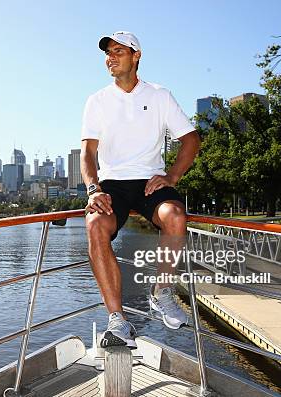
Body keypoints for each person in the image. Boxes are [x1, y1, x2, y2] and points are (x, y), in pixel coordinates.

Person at [81, 31, 200, 349]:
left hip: (151, 181)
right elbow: (88, 153)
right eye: (108, 52)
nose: (111, 56)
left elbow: (191, 140)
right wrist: (94, 190)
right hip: (112, 186)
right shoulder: (97, 101)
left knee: (175, 216)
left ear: (137, 56)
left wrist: (172, 176)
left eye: (119, 51)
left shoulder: (160, 96)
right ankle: (117, 320)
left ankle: (162, 292)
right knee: (95, 224)